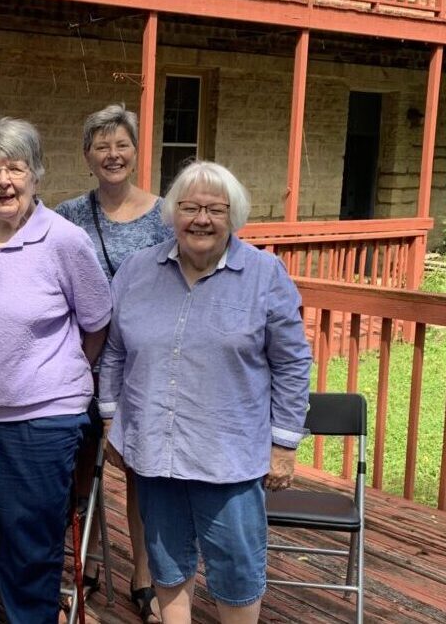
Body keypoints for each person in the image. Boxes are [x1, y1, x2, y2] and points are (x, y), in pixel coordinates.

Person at [98, 161, 312, 624]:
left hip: (229, 457)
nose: (201, 219)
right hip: (156, 451)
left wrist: (284, 444)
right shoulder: (136, 272)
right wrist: (112, 419)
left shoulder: (265, 275)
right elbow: (113, 353)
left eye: (215, 209)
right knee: (167, 564)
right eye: (190, 207)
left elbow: (293, 363)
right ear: (172, 213)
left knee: (236, 570)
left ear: (233, 216)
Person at [0, 118, 112, 624]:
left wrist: (60, 376)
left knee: (29, 543)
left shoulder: (66, 241)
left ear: (36, 174)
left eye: (16, 168)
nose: (3, 181)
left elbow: (96, 323)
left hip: (38, 421)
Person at [55, 103, 170, 623]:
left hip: (144, 365)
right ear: (87, 155)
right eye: (101, 145)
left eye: (121, 144)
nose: (112, 154)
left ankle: (143, 573)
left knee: (142, 472)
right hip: (81, 361)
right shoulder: (69, 214)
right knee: (80, 469)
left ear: (136, 150)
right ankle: (87, 556)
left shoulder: (166, 214)